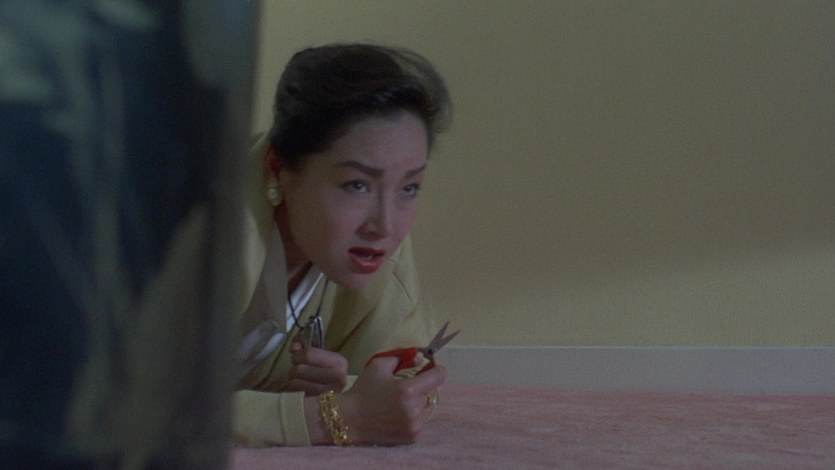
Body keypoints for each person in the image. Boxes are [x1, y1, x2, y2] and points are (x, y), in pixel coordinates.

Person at [232, 43, 452, 446]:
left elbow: (406, 384)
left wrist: (348, 385)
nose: (385, 226)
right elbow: (129, 407)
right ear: (278, 168)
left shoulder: (377, 245)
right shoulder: (196, 225)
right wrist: (335, 416)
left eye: (408, 188)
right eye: (357, 185)